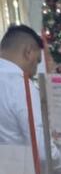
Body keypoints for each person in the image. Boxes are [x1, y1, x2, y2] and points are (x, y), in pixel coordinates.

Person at [0, 24, 45, 153]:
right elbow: (41, 149)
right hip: (18, 169)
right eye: (37, 61)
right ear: (28, 52)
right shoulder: (21, 86)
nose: (35, 70)